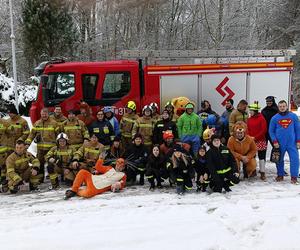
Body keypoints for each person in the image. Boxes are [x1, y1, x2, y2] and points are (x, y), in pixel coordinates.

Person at [269, 100, 300, 183]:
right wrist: (274, 141)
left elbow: (298, 129)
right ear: (278, 107)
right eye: (280, 106)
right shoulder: (274, 118)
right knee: (279, 159)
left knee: (295, 159)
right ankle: (280, 175)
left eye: (283, 106)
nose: (282, 108)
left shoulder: (293, 116)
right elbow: (271, 131)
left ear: (286, 107)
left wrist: (298, 141)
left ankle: (294, 177)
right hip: (279, 144)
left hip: (292, 143)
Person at [25, 108, 60, 179]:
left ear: (48, 114)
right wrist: (27, 143)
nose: (44, 116)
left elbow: (58, 136)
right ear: (41, 114)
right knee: (40, 164)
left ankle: (54, 181)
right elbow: (31, 135)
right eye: (43, 114)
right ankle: (40, 180)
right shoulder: (37, 123)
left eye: (45, 114)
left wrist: (59, 146)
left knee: (51, 164)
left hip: (51, 149)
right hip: (40, 149)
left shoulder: (54, 123)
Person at [247, 102, 268, 180]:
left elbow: (264, 130)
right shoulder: (249, 119)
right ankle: (253, 170)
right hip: (251, 141)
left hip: (260, 140)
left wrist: (255, 137)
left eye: (251, 110)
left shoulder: (261, 118)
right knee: (252, 156)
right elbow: (247, 129)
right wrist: (249, 137)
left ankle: (262, 172)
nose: (250, 112)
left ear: (255, 111)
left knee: (261, 157)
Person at [0, 117, 8, 192]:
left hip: (3, 151)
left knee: (3, 168)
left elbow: (10, 134)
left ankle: (4, 186)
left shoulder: (5, 123)